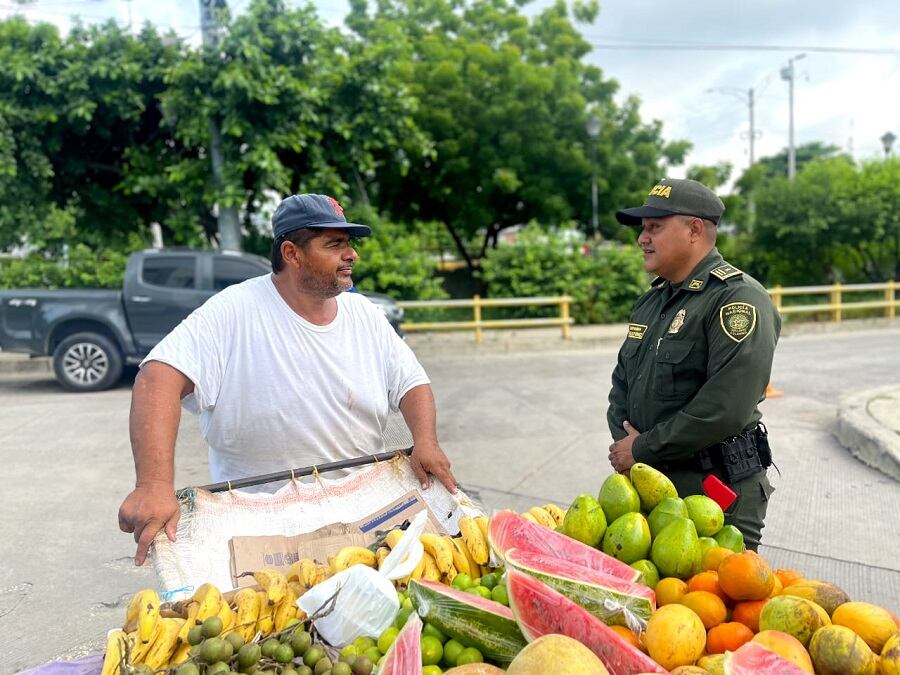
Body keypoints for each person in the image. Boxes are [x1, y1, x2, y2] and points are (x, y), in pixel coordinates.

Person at [119, 194, 456, 565]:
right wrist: (152, 486)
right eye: (335, 245)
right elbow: (157, 379)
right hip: (259, 515)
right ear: (292, 253)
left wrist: (426, 441)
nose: (351, 255)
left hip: (361, 504)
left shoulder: (364, 315)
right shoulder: (233, 311)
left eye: (349, 244)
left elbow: (411, 381)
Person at [606, 178, 781, 551]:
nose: (642, 238)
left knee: (712, 605)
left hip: (715, 491)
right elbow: (622, 381)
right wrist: (628, 446)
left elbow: (725, 407)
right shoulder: (651, 302)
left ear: (694, 230)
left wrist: (641, 448)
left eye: (655, 227)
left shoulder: (738, 299)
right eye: (643, 229)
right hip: (649, 484)